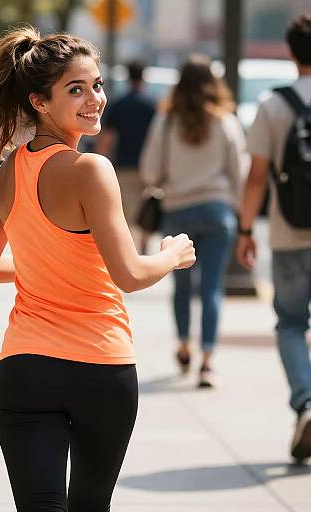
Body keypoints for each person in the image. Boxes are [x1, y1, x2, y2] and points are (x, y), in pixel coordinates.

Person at [0, 26, 195, 510]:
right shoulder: (91, 170)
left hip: (24, 369)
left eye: (97, 85)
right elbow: (129, 275)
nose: (94, 99)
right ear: (39, 102)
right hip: (100, 367)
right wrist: (171, 256)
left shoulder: (10, 171)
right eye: (76, 89)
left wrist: (45, 265)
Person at [141, 54, 246, 388]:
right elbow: (238, 171)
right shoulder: (224, 122)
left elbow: (150, 169)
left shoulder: (166, 121)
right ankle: (208, 361)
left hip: (178, 210)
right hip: (217, 211)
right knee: (212, 287)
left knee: (182, 286)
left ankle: (184, 344)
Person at [237, 13, 311, 462]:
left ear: (290, 52)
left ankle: (305, 402)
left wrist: (246, 229)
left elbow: (256, 177)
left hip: (289, 232)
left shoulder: (273, 104)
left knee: (289, 322)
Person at [95, 60, 156, 252]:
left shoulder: (119, 105)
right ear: (144, 77)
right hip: (150, 167)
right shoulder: (153, 105)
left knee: (127, 211)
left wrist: (98, 161)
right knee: (147, 208)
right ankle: (144, 245)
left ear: (128, 78)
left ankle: (131, 249)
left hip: (125, 166)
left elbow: (108, 138)